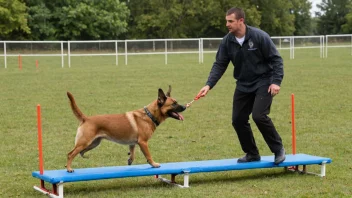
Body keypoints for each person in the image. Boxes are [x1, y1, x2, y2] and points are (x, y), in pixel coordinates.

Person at [196, 7, 285, 164]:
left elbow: (276, 59)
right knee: (238, 120)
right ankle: (252, 153)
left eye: (230, 21)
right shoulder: (227, 41)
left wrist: (276, 82)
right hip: (243, 84)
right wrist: (208, 85)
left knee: (259, 116)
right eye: (226, 21)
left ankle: (278, 150)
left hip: (264, 81)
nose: (227, 24)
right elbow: (219, 65)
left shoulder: (259, 36)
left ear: (241, 21)